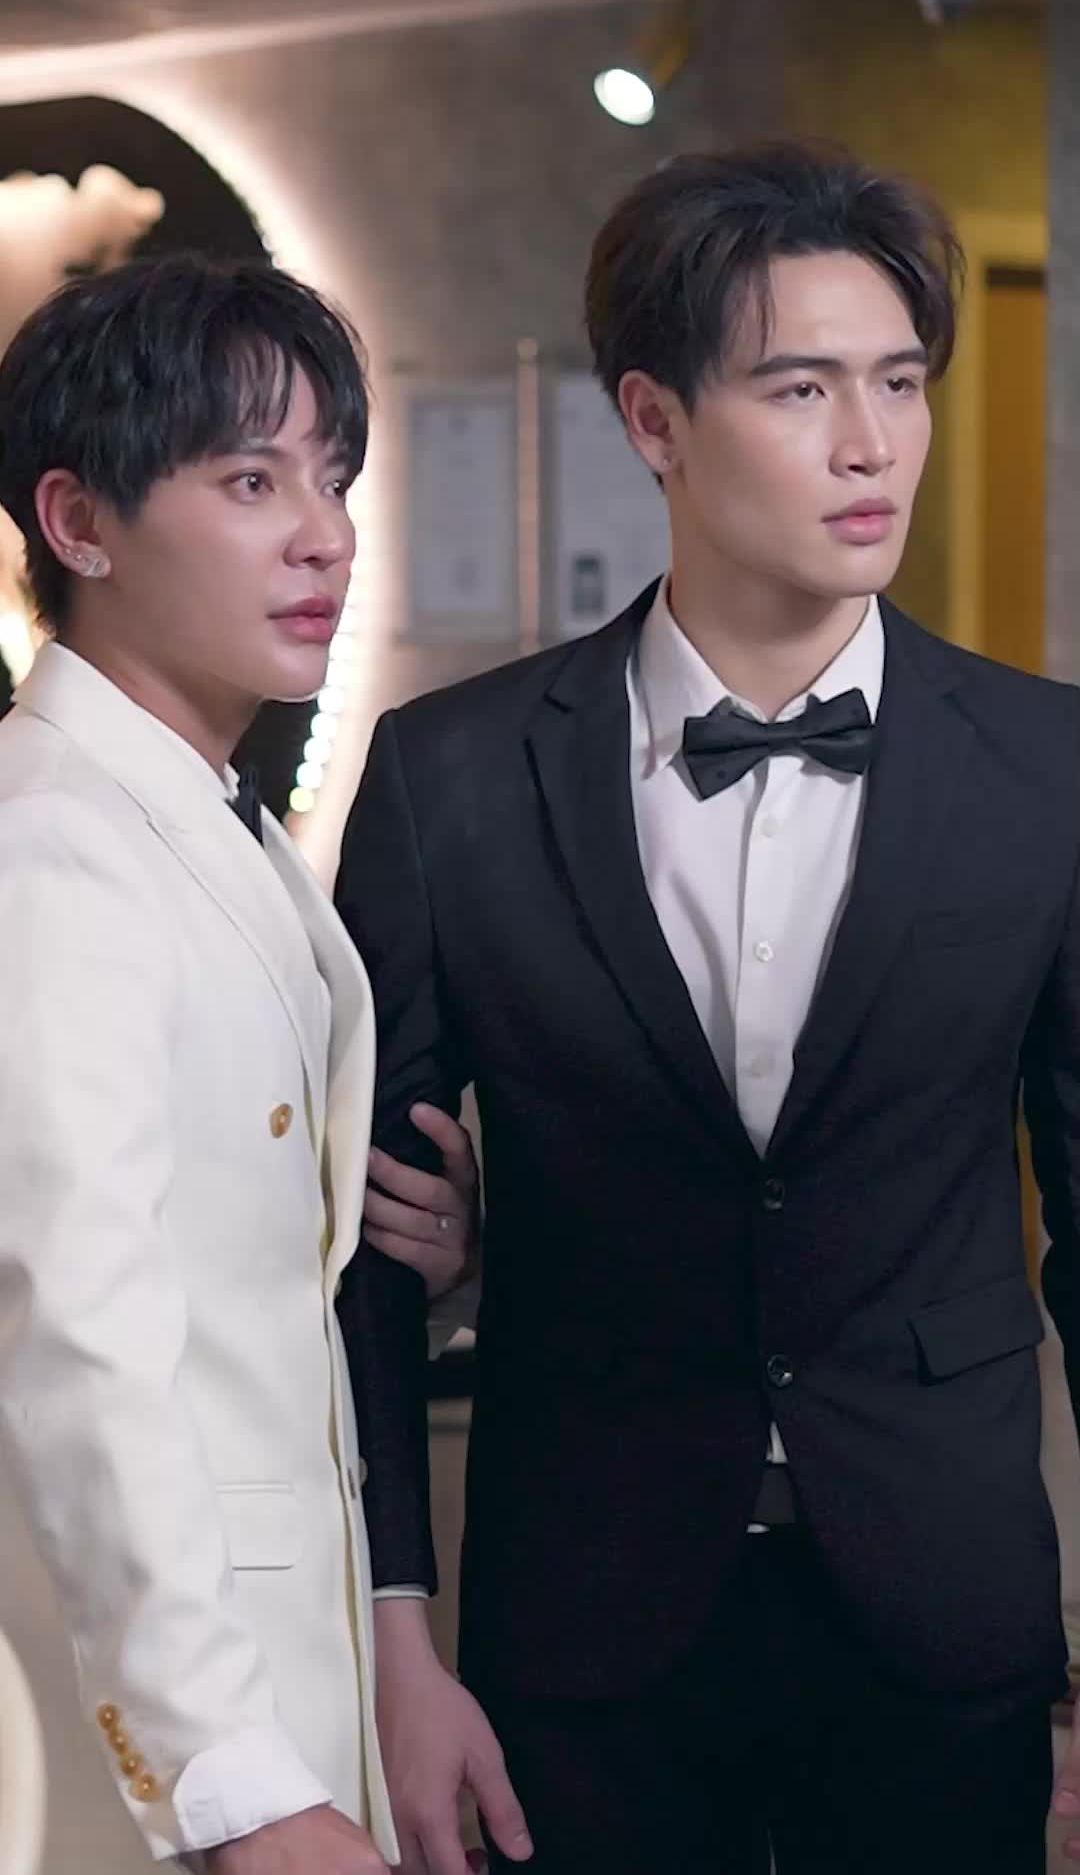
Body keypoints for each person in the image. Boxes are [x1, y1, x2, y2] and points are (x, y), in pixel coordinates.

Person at [334, 141, 1080, 1875]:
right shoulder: (451, 778)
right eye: (801, 388)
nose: (870, 444)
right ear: (655, 421)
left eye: (900, 384)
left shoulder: (1050, 768)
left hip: (943, 1609)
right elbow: (367, 1261)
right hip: (582, 1626)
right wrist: (396, 1641)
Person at [0, 253, 473, 1875]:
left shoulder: (202, 819)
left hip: (281, 1673)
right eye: (252, 480)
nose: (324, 534)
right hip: (154, 1730)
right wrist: (226, 1782)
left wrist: (399, 1235)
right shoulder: (53, 851)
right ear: (81, 522)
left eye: (333, 478)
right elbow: (76, 1341)